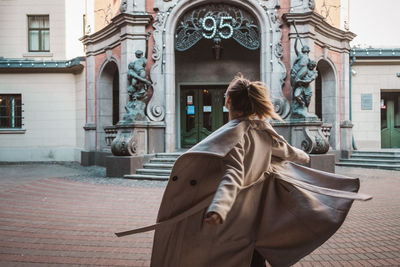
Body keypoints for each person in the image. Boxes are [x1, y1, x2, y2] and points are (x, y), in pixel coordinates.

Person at [116, 74, 370, 266]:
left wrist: (218, 208)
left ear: (228, 102)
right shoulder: (263, 129)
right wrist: (305, 156)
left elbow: (233, 175)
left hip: (234, 222)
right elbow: (289, 151)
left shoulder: (235, 134)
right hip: (256, 220)